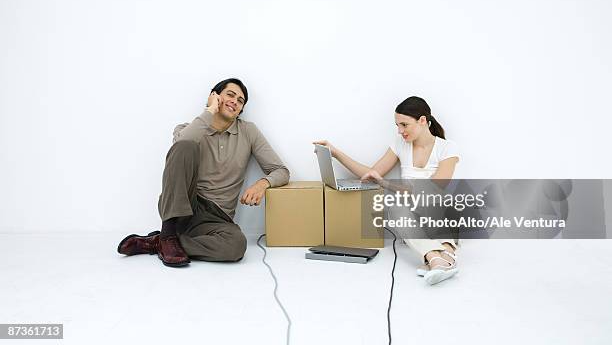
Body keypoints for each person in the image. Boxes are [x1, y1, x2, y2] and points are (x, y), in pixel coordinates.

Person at [118, 78, 290, 267]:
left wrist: (262, 184)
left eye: (240, 101)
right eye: (230, 95)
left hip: (216, 219)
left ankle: (162, 241)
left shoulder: (248, 131)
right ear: (214, 97)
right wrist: (210, 112)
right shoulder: (187, 129)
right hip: (183, 208)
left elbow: (280, 170)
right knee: (185, 146)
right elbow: (179, 148)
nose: (235, 101)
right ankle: (168, 233)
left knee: (236, 245)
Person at [314, 96, 460, 285]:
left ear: (422, 121)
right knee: (396, 206)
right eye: (397, 125)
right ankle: (437, 257)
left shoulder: (448, 148)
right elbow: (372, 174)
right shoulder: (400, 145)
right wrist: (335, 153)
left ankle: (442, 254)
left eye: (404, 125)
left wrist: (387, 184)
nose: (400, 131)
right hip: (414, 219)